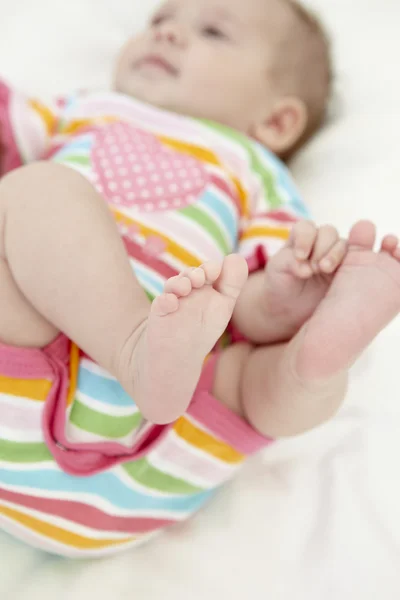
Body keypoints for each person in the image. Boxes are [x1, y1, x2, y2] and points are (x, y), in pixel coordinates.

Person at [0, 0, 399, 557]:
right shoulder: (82, 108)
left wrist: (287, 295)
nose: (167, 35)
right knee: (31, 193)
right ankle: (133, 343)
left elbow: (249, 305)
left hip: (173, 416)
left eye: (211, 31)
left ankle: (316, 363)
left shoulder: (256, 169)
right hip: (35, 368)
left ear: (277, 121)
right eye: (158, 22)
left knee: (261, 371)